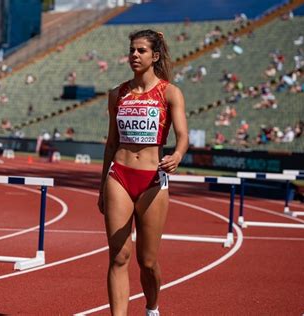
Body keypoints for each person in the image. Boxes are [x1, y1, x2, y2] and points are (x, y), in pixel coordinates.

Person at [98, 29, 188, 316]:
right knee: (119, 256)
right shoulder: (117, 94)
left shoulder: (170, 92)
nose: (134, 55)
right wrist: (102, 185)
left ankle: (152, 307)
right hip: (119, 176)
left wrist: (177, 154)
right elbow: (111, 142)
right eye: (132, 51)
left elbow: (183, 136)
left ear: (155, 56)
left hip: (151, 180)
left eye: (141, 51)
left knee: (147, 262)